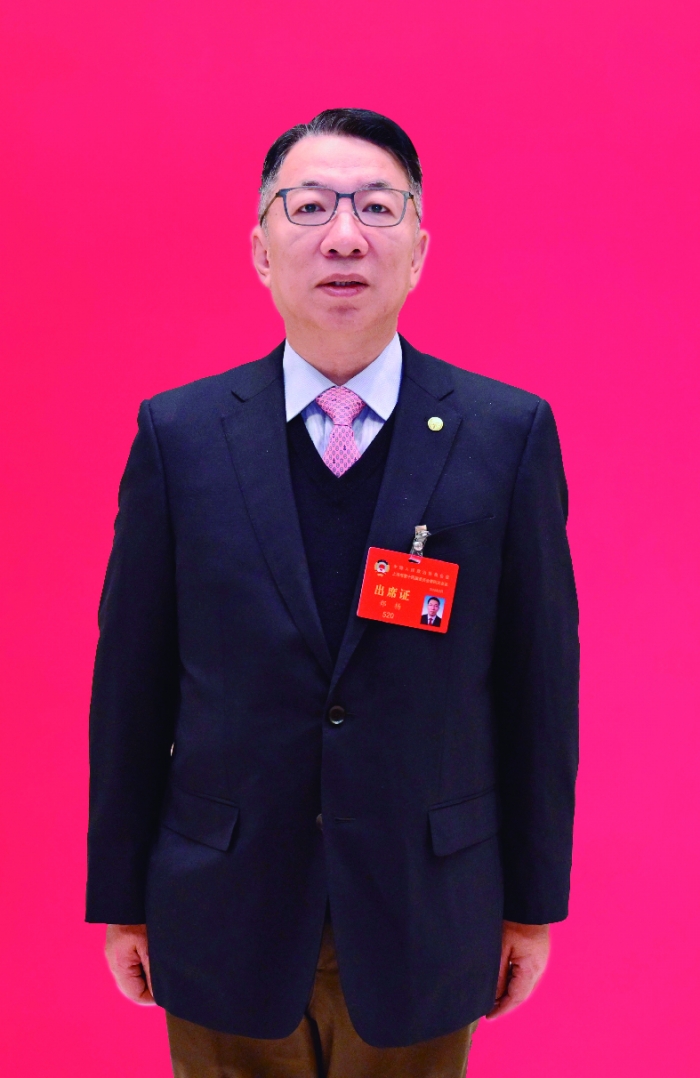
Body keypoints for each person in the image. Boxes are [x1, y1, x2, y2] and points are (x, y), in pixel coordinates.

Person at [87, 108, 579, 1078]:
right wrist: (121, 896)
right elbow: (131, 686)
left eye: (377, 207)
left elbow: (537, 688)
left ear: (419, 250)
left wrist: (532, 903)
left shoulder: (504, 434)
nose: (344, 235)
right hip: (220, 906)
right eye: (309, 206)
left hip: (427, 911)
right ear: (261, 251)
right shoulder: (180, 437)